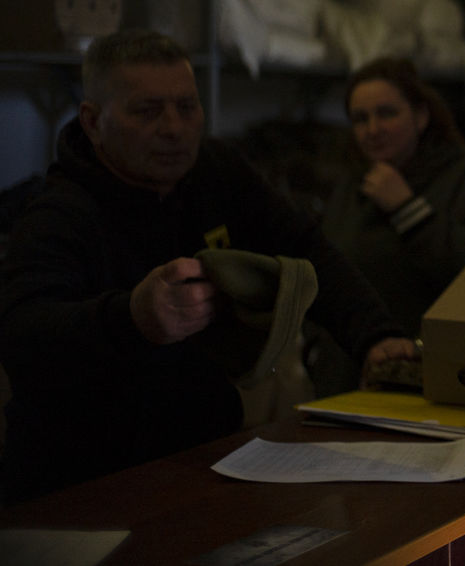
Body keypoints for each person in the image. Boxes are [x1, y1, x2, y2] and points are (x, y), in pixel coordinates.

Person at [0, 29, 417, 503]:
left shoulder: (216, 172)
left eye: (187, 106)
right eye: (147, 111)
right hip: (82, 485)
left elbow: (306, 247)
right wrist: (131, 317)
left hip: (200, 462)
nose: (174, 128)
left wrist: (374, 336)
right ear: (94, 122)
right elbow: (22, 337)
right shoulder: (59, 216)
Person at [308, 57, 465, 395]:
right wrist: (313, 349)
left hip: (427, 380)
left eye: (387, 113)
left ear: (420, 116)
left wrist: (407, 209)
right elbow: (323, 270)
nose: (373, 129)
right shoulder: (352, 183)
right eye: (360, 119)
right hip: (343, 380)